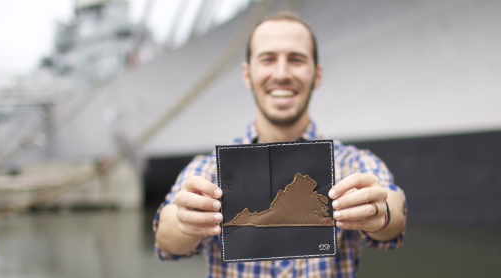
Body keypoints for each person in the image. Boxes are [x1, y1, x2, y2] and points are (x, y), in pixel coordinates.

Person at [154, 11, 407, 278]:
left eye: (296, 60)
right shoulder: (207, 170)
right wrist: (183, 221)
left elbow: (395, 212)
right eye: (268, 59)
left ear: (317, 75)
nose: (282, 73)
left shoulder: (352, 164)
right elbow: (165, 239)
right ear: (247, 74)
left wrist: (381, 212)